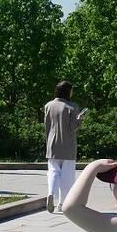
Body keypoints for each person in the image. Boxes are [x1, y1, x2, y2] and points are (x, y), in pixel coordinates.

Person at [44, 81, 88, 213]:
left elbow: (46, 126)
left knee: (53, 171)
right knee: (67, 176)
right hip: (68, 145)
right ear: (67, 91)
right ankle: (62, 203)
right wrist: (81, 118)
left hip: (52, 144)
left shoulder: (48, 105)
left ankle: (51, 193)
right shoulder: (72, 106)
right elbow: (73, 127)